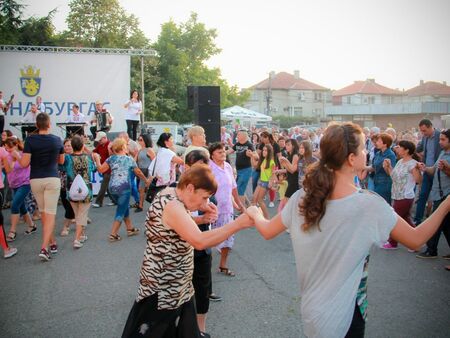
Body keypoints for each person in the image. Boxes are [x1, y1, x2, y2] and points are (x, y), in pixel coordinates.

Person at [245, 122, 450, 338]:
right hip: (346, 316)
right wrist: (446, 205)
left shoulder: (300, 198)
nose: (365, 152)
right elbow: (416, 239)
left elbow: (268, 231)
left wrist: (256, 214)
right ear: (352, 159)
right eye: (362, 148)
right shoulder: (369, 204)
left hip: (312, 313)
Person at [122, 164, 253, 338]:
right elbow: (200, 241)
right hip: (163, 291)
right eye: (204, 197)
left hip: (179, 287)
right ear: (190, 188)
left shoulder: (172, 193)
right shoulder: (172, 206)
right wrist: (238, 224)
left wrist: (202, 215)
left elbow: (177, 226)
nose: (205, 203)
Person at [15, 112, 64, 261]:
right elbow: (61, 161)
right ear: (49, 124)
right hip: (52, 178)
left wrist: (16, 155)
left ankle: (52, 243)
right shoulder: (57, 140)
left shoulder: (30, 140)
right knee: (49, 214)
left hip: (35, 179)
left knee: (44, 213)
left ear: (36, 125)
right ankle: (44, 247)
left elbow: (24, 163)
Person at [93, 137, 149, 242]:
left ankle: (130, 228)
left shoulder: (111, 159)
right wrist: (145, 180)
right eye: (126, 145)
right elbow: (138, 172)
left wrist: (97, 159)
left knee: (123, 207)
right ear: (123, 147)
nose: (127, 147)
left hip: (112, 188)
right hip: (124, 188)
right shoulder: (129, 159)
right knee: (120, 210)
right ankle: (113, 234)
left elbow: (100, 170)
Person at [209, 142, 244, 277]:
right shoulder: (208, 168)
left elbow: (233, 187)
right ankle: (204, 267)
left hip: (227, 209)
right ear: (212, 155)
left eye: (224, 151)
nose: (223, 154)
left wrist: (239, 204)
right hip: (211, 209)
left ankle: (223, 265)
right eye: (219, 152)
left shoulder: (228, 167)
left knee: (228, 237)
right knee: (209, 239)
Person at [416, 129, 450, 259]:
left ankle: (431, 249)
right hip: (439, 193)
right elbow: (433, 170)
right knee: (445, 224)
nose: (440, 142)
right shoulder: (442, 153)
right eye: (440, 139)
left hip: (445, 195)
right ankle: (432, 249)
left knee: (436, 223)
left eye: (443, 140)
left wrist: (447, 169)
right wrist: (424, 168)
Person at [382, 140, 422, 249]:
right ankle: (417, 241)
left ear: (406, 150)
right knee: (406, 220)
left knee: (394, 220)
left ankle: (393, 242)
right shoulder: (400, 162)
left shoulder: (413, 164)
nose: (397, 148)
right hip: (397, 195)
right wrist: (388, 167)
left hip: (405, 196)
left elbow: (418, 180)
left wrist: (418, 169)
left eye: (399, 147)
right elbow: (394, 177)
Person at [62, 135, 95, 249]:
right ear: (82, 145)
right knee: (82, 215)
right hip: (86, 190)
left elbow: (61, 167)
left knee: (78, 214)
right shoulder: (88, 158)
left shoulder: (67, 158)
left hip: (71, 190)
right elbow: (93, 169)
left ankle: (81, 235)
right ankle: (77, 239)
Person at [2, 137, 36, 241]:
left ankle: (12, 231)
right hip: (14, 184)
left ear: (16, 145)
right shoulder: (7, 156)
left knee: (15, 205)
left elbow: (25, 165)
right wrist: (12, 160)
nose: (8, 150)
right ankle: (31, 225)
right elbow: (8, 170)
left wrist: (17, 156)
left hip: (25, 183)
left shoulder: (23, 153)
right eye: (6, 148)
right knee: (21, 206)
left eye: (10, 148)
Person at [414, 119, 441, 225]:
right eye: (421, 131)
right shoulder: (425, 138)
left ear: (431, 127)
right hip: (426, 171)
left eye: (424, 130)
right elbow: (418, 148)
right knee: (422, 196)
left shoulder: (440, 136)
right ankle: (417, 220)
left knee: (437, 198)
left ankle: (437, 223)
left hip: (438, 172)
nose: (423, 133)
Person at [147, 133, 184, 202]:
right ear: (166, 141)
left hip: (161, 179)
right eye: (171, 139)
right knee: (167, 200)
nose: (173, 140)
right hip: (167, 181)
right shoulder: (168, 152)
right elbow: (181, 162)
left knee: (161, 199)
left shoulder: (161, 151)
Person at [227, 128, 254, 207]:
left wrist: (251, 155)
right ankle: (248, 206)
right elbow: (229, 151)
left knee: (239, 189)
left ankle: (243, 210)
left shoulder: (249, 145)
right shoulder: (237, 144)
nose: (236, 136)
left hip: (246, 170)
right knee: (240, 189)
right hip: (239, 170)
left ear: (243, 136)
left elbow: (256, 156)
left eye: (238, 135)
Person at [369, 133, 397, 204]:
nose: (376, 143)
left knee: (382, 204)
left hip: (385, 183)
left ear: (385, 144)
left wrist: (386, 167)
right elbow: (373, 167)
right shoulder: (378, 153)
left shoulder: (390, 155)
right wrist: (361, 167)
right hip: (376, 181)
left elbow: (390, 173)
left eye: (378, 141)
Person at [251, 144, 275, 219]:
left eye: (266, 150)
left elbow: (273, 173)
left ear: (269, 152)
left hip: (265, 183)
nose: (264, 152)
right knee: (254, 198)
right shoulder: (264, 160)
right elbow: (254, 165)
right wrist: (252, 156)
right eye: (263, 150)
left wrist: (271, 182)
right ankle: (255, 216)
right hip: (261, 181)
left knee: (260, 200)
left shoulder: (271, 162)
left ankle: (267, 218)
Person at [91, 131, 115, 208]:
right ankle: (115, 200)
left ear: (105, 138)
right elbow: (93, 152)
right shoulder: (100, 145)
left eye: (100, 140)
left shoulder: (110, 145)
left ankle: (99, 202)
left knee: (104, 186)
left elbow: (112, 156)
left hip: (110, 169)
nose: (99, 142)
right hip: (104, 168)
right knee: (107, 187)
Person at [59, 138, 76, 236]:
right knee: (65, 202)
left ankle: (66, 227)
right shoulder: (62, 156)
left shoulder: (77, 156)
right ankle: (76, 217)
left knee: (71, 204)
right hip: (63, 182)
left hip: (74, 183)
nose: (67, 147)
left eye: (69, 145)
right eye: (65, 146)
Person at [278, 138, 300, 211]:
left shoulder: (295, 156)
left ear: (293, 146)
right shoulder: (289, 155)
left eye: (288, 145)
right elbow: (288, 170)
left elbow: (293, 170)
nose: (286, 146)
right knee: (289, 202)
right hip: (290, 180)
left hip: (294, 181)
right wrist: (278, 171)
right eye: (286, 145)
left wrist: (285, 161)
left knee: (287, 201)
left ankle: (289, 219)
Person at [136, 134, 155, 212]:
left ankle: (145, 206)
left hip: (148, 171)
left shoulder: (149, 150)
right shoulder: (140, 150)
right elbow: (134, 160)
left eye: (141, 140)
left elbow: (154, 161)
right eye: (139, 140)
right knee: (141, 189)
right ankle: (140, 205)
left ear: (145, 141)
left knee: (147, 189)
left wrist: (152, 174)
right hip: (141, 170)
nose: (139, 142)